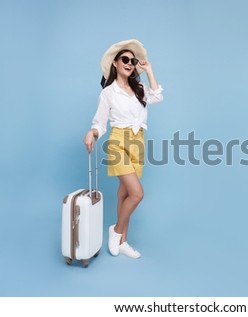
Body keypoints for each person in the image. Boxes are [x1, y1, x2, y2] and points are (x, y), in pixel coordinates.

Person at [84, 39, 163, 259]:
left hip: (138, 142)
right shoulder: (108, 93)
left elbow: (158, 97)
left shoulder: (139, 89)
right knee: (137, 194)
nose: (129, 63)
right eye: (125, 59)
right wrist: (92, 132)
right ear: (115, 64)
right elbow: (99, 122)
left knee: (124, 193)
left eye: (132, 60)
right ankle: (116, 231)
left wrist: (148, 70)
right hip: (118, 141)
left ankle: (123, 242)